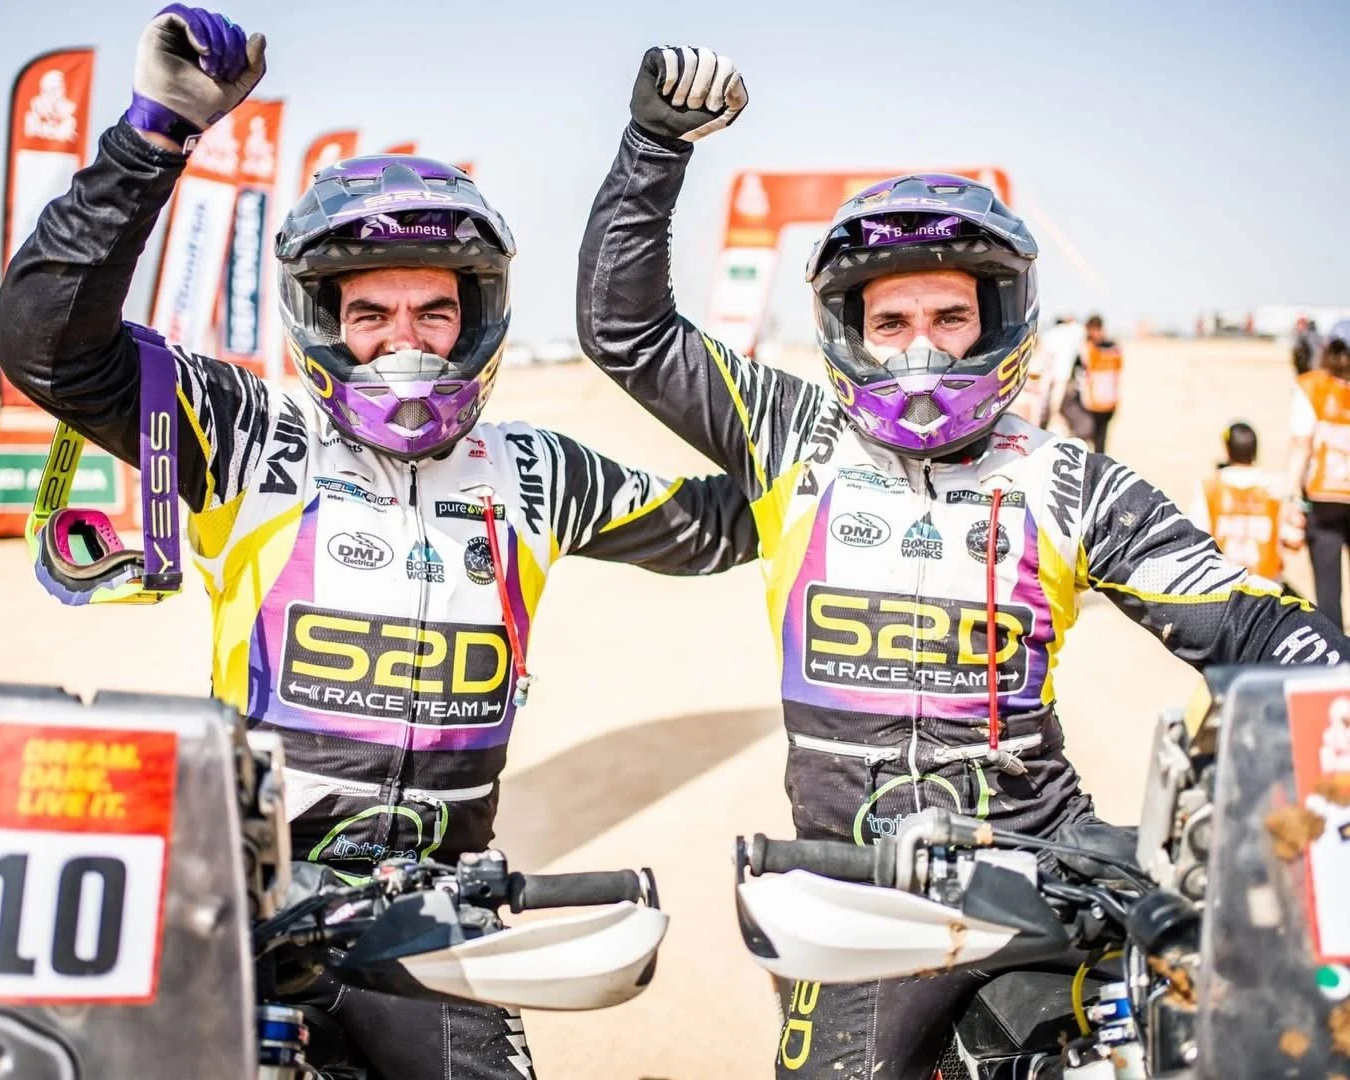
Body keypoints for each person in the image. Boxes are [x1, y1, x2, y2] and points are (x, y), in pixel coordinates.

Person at [0, 11, 757, 1078]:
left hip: (440, 910)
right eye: (371, 314)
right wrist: (153, 137)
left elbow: (729, 522)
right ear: (322, 319)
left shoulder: (535, 471)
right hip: (250, 899)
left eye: (434, 312)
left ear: (477, 317)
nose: (406, 341)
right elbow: (49, 348)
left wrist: (877, 446)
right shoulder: (246, 435)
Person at [575, 44, 1350, 1079]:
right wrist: (653, 147)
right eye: (891, 322)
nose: (922, 350)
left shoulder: (1068, 480)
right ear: (850, 330)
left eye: (950, 318)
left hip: (1044, 867)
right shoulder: (790, 434)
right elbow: (626, 332)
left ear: (1001, 321)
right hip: (857, 894)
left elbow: (1253, 622)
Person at [1285, 321, 1350, 629]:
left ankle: (1338, 652)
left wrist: (1290, 498)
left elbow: (1301, 445)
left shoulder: (1311, 387)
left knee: (1328, 589)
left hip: (1324, 497)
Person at [1189, 421, 1299, 588]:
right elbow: (1294, 538)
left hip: (1222, 584)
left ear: (1227, 450)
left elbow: (1196, 536)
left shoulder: (1209, 487)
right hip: (1267, 586)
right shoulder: (1275, 487)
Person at [1058, 313, 1121, 453]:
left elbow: (1076, 373)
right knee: (1097, 439)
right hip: (1105, 400)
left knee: (1091, 438)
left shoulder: (1087, 349)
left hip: (1094, 402)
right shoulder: (1113, 348)